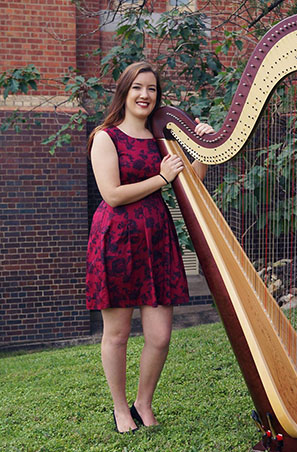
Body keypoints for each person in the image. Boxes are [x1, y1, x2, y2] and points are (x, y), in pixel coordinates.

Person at [86, 61, 214, 433]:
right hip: (116, 239)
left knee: (159, 336)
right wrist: (161, 177)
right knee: (119, 333)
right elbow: (112, 195)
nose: (145, 95)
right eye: (138, 88)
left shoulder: (163, 139)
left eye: (152, 89)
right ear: (124, 92)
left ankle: (143, 402)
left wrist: (203, 149)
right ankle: (121, 409)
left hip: (156, 238)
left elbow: (189, 185)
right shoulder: (106, 137)